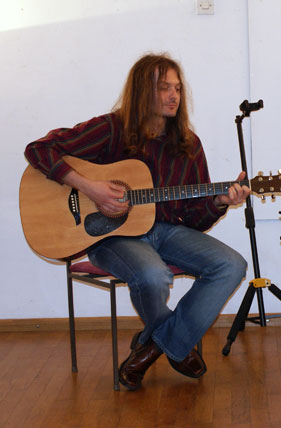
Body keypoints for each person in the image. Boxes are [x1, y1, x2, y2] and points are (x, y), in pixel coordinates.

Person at [25, 53, 250, 391]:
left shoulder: (188, 144)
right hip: (111, 237)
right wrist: (90, 188)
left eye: (177, 88)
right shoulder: (111, 129)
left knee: (231, 265)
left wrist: (219, 201)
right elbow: (39, 150)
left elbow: (194, 218)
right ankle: (173, 344)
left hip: (167, 231)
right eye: (164, 88)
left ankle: (155, 345)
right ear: (144, 91)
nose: (174, 96)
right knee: (153, 275)